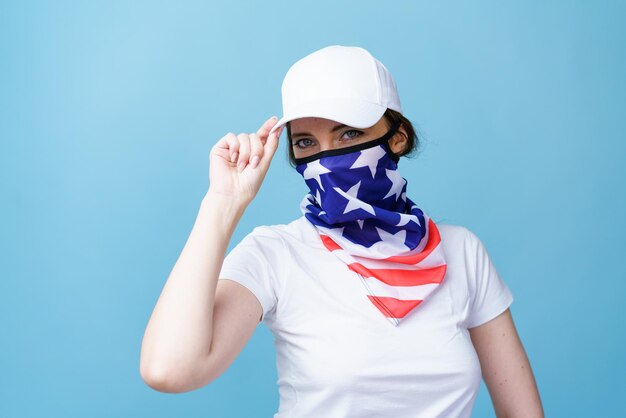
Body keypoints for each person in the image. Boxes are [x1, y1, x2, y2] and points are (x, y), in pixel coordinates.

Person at [140, 45, 544, 417]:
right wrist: (222, 203)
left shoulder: (461, 252)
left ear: (397, 138)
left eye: (349, 133)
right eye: (305, 142)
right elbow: (169, 370)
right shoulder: (276, 254)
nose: (326, 156)